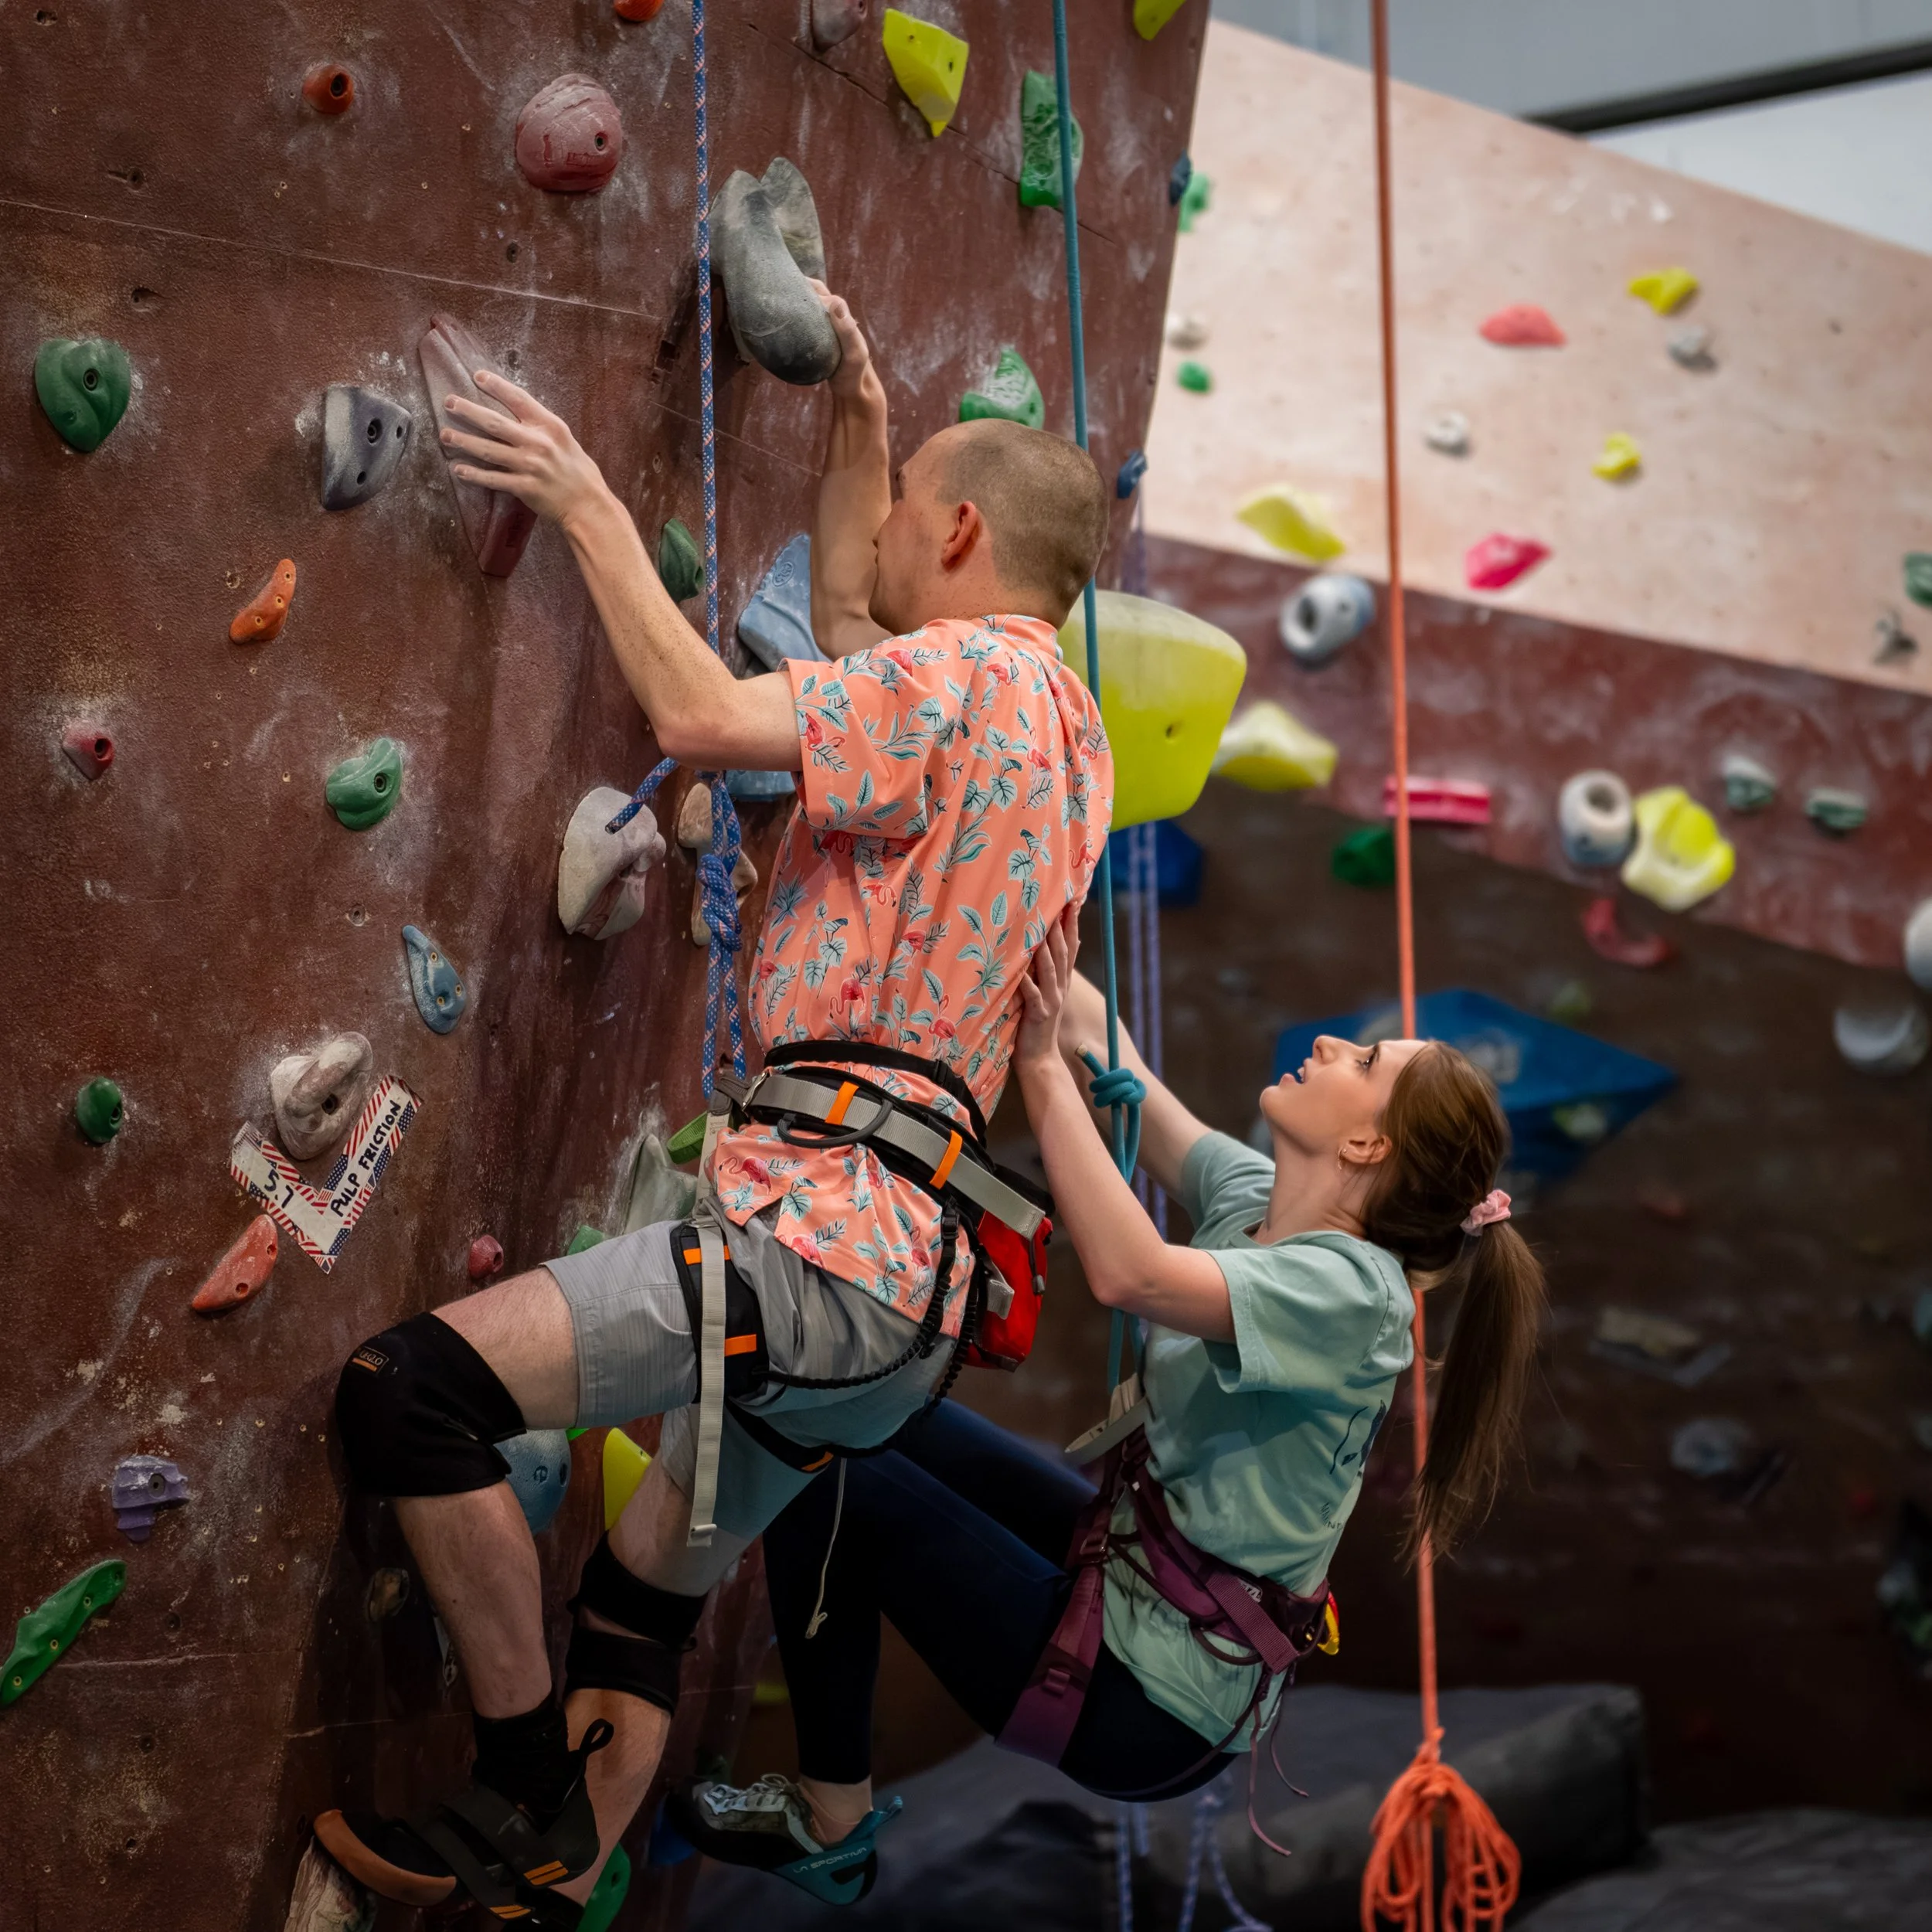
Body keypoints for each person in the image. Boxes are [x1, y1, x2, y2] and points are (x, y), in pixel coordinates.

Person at [314, 290, 1114, 1925]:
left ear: (960, 535)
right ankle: (548, 1878)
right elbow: (842, 618)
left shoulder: (953, 676)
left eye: (904, 516)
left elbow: (701, 715)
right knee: (635, 1604)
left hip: (805, 1243)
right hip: (892, 1297)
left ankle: (519, 1782)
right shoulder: (1058, 727)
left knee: (411, 1394)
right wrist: (859, 433)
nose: (879, 540)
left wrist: (586, 498)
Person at [676, 907, 1547, 1901]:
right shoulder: (1255, 1198)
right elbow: (1110, 1043)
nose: (1327, 1043)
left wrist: (1043, 1073)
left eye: (1363, 1057)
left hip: (1149, 1707)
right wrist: (1020, 892)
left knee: (837, 1462)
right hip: (1129, 1565)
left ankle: (830, 1816)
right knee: (879, 1399)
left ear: (1363, 1140)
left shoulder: (1355, 1299)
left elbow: (1132, 1273)